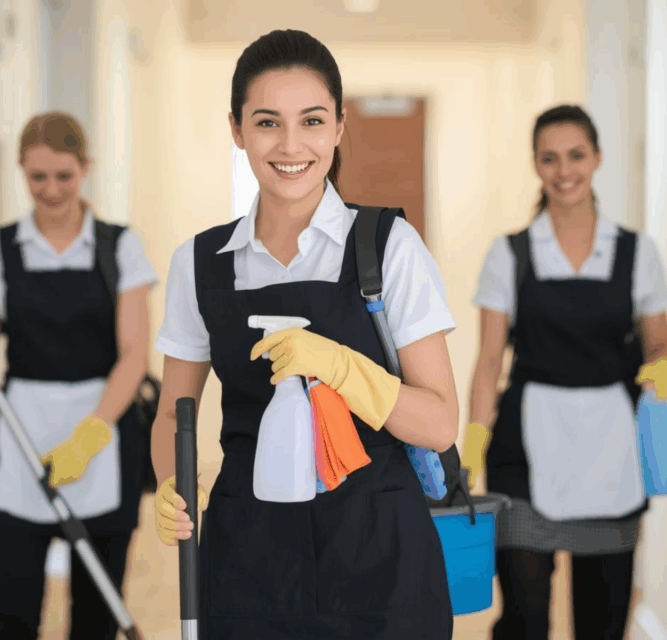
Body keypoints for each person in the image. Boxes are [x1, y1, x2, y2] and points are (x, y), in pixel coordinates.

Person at [151, 28, 459, 640]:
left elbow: (440, 422)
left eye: (312, 120)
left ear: (340, 127)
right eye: (267, 122)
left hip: (380, 555)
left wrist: (346, 369)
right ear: (236, 129)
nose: (291, 145)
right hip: (248, 558)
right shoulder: (201, 262)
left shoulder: (386, 249)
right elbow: (172, 414)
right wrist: (171, 482)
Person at [462, 104, 667, 639]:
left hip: (612, 452)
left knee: (602, 624)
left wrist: (664, 377)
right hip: (523, 453)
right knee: (524, 620)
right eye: (550, 158)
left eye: (576, 156)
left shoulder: (636, 253)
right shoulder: (509, 254)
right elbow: (490, 360)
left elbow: (661, 345)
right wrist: (469, 449)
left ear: (597, 158)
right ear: (536, 165)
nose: (565, 171)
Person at [0, 111, 159, 639]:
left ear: (85, 169)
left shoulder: (118, 247)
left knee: (95, 615)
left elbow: (134, 356)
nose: (52, 190)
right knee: (10, 612)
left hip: (101, 439)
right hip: (21, 437)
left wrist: (92, 434)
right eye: (38, 177)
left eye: (64, 176)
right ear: (21, 171)